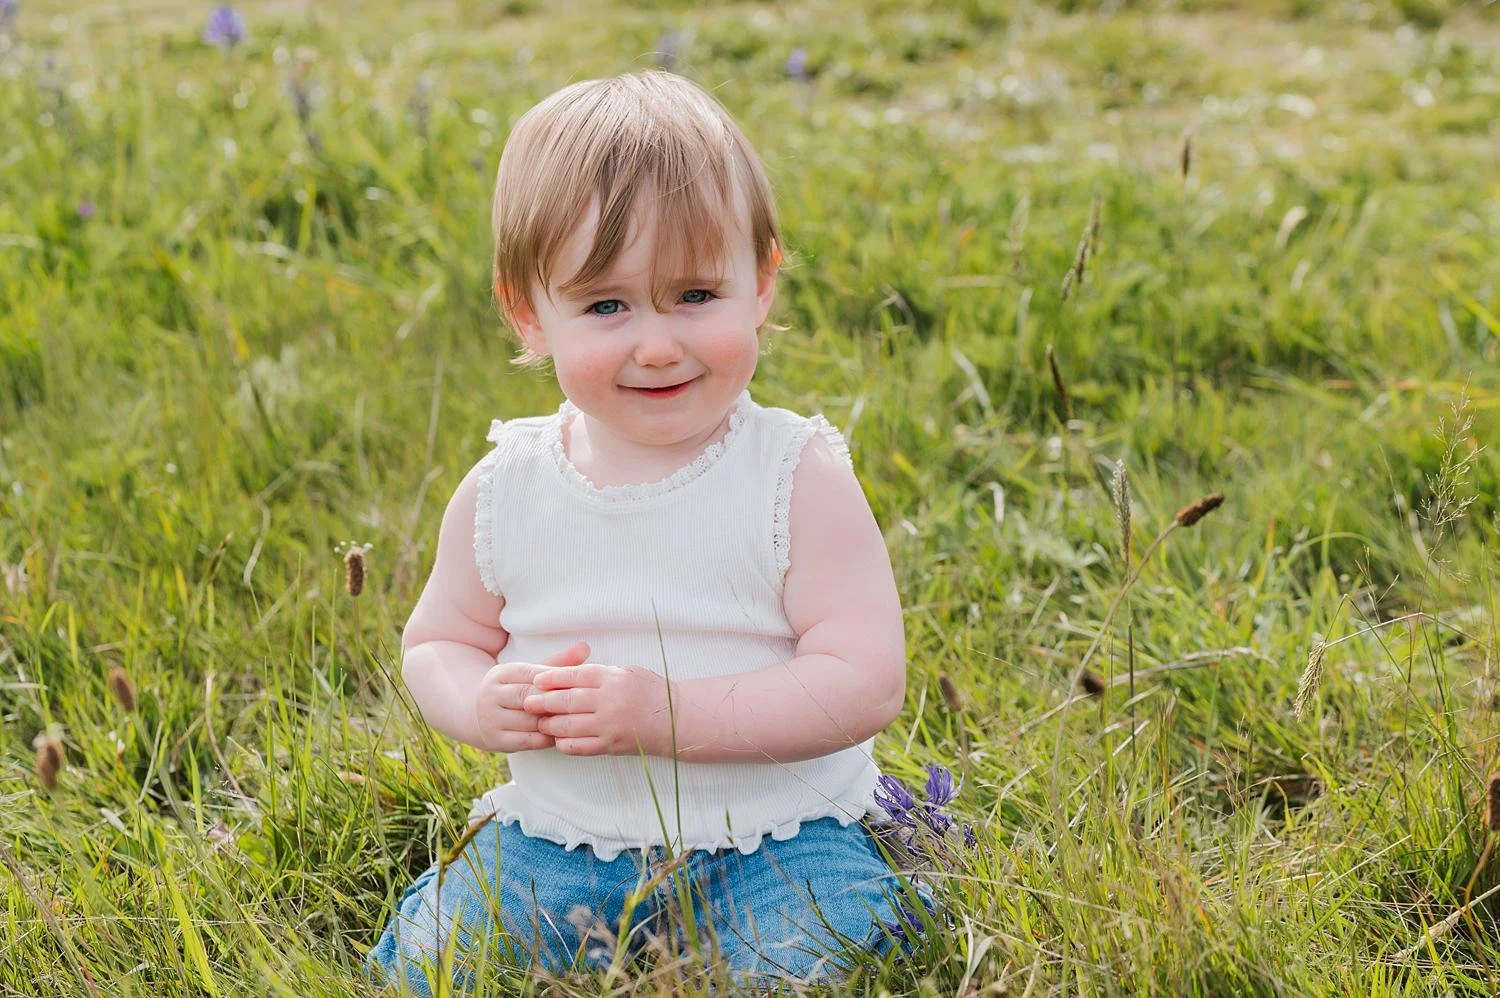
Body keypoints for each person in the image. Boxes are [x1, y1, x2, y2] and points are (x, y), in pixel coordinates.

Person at [366, 70, 934, 995]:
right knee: (437, 965)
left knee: (821, 959)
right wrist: (478, 702)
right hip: (557, 842)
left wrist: (663, 713)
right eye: (605, 306)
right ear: (528, 314)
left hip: (774, 840)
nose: (658, 343)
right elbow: (438, 638)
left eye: (695, 295)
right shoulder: (506, 487)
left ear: (762, 284)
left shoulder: (794, 476)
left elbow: (863, 682)